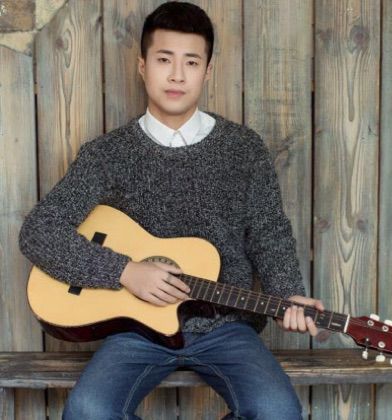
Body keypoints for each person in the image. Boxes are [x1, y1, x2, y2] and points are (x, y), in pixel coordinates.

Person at [19, 2, 324, 419]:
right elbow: (39, 231)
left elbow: (269, 233)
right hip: (136, 330)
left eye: (191, 62)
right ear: (143, 66)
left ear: (207, 71)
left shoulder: (243, 149)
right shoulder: (108, 154)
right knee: (89, 411)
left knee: (277, 412)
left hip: (226, 327)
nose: (177, 75)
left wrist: (288, 293)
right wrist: (124, 271)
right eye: (164, 60)